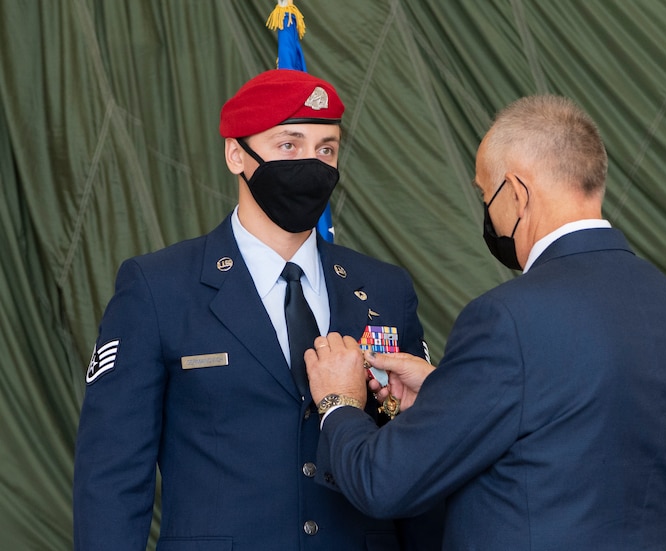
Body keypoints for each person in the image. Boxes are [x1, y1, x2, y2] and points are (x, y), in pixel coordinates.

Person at [306, 94, 666, 550]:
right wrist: (448, 390)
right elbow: (574, 426)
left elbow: (382, 484)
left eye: (485, 194)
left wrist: (339, 401)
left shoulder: (506, 319)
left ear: (516, 193)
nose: (487, 212)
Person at [73, 69, 442, 550]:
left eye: (325, 148)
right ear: (235, 154)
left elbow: (417, 462)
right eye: (289, 145)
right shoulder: (158, 288)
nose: (312, 163)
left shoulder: (385, 289)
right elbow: (112, 474)